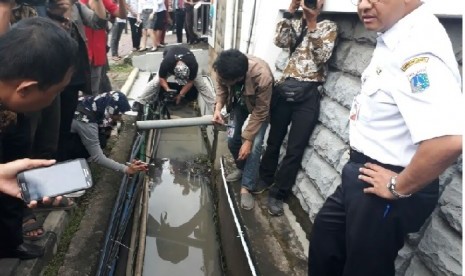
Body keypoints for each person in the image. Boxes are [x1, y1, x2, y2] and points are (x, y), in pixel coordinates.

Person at [308, 0, 463, 275]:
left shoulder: (419, 49)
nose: (363, 6)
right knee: (326, 244)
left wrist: (396, 186)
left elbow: (448, 140)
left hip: (387, 184)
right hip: (363, 174)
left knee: (364, 269)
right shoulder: (395, 35)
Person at [0, 16, 78, 260]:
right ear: (26, 89)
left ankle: (10, 243)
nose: (55, 101)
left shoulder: (14, 107)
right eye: (56, 92)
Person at [258, 0, 337, 216]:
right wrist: (290, 12)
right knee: (274, 139)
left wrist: (312, 23)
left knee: (295, 148)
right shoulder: (295, 23)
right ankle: (264, 177)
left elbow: (322, 56)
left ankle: (278, 194)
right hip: (286, 89)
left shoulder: (328, 26)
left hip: (309, 93)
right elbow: (279, 41)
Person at [212, 49, 274, 210]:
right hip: (237, 103)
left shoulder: (262, 76)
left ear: (239, 77)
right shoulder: (222, 68)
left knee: (253, 146)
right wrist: (218, 109)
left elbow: (261, 111)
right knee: (232, 139)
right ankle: (242, 168)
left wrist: (248, 140)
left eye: (227, 80)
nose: (222, 81)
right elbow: (221, 90)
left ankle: (247, 186)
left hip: (258, 109)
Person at [61, 91, 148, 175]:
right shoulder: (88, 123)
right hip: (61, 141)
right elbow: (98, 158)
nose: (119, 118)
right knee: (99, 142)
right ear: (110, 110)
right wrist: (126, 169)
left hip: (63, 127)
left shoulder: (93, 102)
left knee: (102, 137)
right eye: (118, 114)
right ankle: (74, 163)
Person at [133, 45, 215, 109]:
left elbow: (190, 82)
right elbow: (162, 78)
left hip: (187, 62)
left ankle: (215, 108)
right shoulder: (166, 63)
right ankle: (140, 101)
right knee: (155, 82)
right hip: (170, 59)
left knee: (202, 86)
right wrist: (167, 89)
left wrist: (180, 95)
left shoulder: (193, 66)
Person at [80, 0, 127, 95]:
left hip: (97, 52)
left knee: (94, 90)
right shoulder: (77, 3)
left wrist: (122, 2)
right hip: (81, 51)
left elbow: (122, 15)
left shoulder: (104, 1)